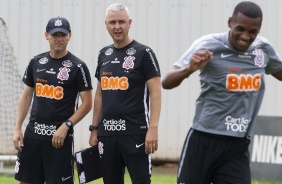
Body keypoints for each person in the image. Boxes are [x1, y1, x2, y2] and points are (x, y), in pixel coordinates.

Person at [162, 1, 282, 184]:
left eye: (252, 32)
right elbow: (167, 82)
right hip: (203, 140)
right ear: (229, 23)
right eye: (240, 29)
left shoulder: (263, 49)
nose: (245, 36)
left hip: (237, 146)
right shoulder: (207, 45)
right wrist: (189, 69)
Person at [12, 16, 93, 184]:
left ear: (70, 36)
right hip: (33, 137)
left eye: (62, 34)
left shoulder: (78, 66)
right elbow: (26, 96)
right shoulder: (36, 62)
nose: (59, 39)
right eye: (54, 34)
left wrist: (67, 125)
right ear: (46, 35)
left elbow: (87, 103)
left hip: (59, 140)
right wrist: (17, 128)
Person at [88, 3, 161, 184]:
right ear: (106, 24)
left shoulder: (144, 53)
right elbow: (99, 95)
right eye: (113, 22)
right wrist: (94, 129)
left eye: (121, 22)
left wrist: (153, 129)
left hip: (136, 133)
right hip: (107, 134)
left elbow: (156, 93)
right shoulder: (103, 54)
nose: (117, 27)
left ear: (130, 23)